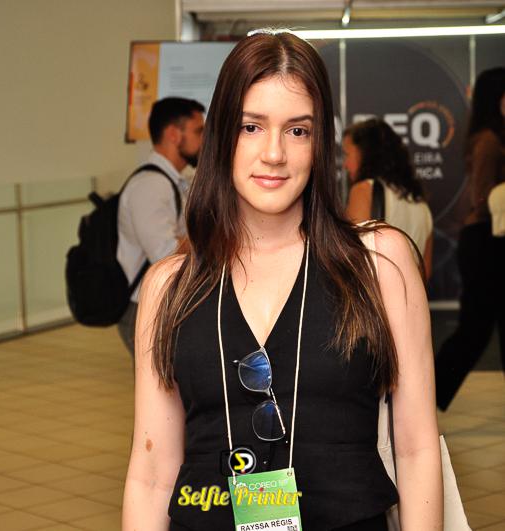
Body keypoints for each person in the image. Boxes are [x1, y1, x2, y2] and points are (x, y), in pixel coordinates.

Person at [123, 31, 442, 530]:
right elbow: (151, 475)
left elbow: (417, 447)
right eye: (252, 126)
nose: (274, 153)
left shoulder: (380, 264)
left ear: (319, 144)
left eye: (297, 130)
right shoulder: (170, 287)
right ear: (222, 136)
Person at [435, 68, 505, 411]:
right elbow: (482, 196)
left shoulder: (490, 136)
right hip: (486, 241)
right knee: (475, 329)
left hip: (488, 239)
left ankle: (429, 395)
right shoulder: (489, 140)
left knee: (476, 327)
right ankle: (428, 395)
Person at [116, 97, 205, 356]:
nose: (204, 140)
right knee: (157, 381)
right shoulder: (150, 186)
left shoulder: (171, 181)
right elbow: (165, 254)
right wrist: (207, 238)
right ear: (174, 135)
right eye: (198, 131)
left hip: (163, 302)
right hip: (146, 307)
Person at [343, 118, 434, 281]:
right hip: (409, 295)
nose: (345, 164)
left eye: (347, 154)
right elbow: (425, 273)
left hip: (375, 295)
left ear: (364, 153)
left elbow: (354, 260)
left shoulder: (364, 190)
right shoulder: (422, 205)